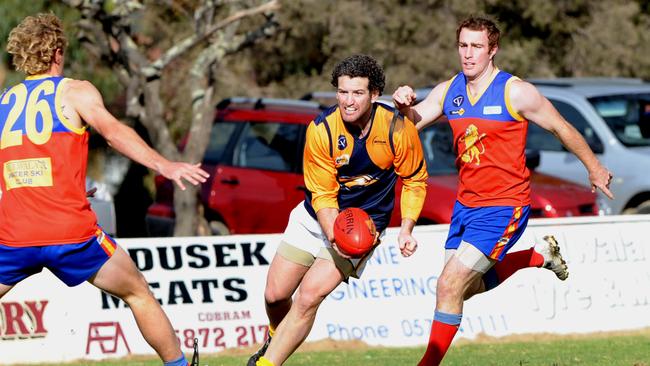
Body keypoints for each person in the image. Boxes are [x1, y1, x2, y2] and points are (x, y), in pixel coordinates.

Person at [392, 16, 614, 366]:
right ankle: (536, 257)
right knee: (464, 288)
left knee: (448, 286)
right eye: (463, 45)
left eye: (476, 47)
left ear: (492, 50)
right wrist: (403, 106)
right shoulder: (449, 90)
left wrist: (594, 167)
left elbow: (560, 126)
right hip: (465, 206)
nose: (468, 54)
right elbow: (412, 122)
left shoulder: (515, 91)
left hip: (504, 206)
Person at [0, 14, 208, 366]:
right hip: (71, 234)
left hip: (14, 235)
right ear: (57, 53)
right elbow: (113, 132)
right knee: (138, 292)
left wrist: (64, 188)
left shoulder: (5, 102)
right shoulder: (75, 90)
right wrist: (164, 164)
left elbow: (20, 166)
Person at [248, 54, 428, 366]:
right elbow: (322, 195)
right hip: (315, 218)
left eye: (357, 93)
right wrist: (334, 234)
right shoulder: (321, 130)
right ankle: (277, 335)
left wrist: (407, 228)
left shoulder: (397, 129)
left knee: (309, 296)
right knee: (275, 296)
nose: (348, 101)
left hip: (363, 226)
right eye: (342, 92)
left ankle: (266, 364)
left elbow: (414, 179)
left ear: (374, 94)